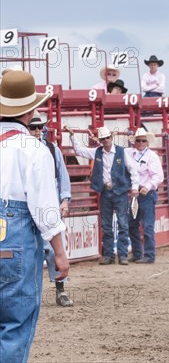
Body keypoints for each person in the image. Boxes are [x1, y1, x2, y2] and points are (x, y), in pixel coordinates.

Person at [0, 70, 70, 362]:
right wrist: (59, 252)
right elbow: (44, 208)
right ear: (30, 110)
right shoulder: (34, 149)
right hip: (14, 237)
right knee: (15, 324)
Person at [66, 125, 139, 265]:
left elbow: (133, 170)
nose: (106, 141)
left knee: (122, 224)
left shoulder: (121, 152)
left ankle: (121, 255)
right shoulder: (97, 152)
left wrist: (135, 187)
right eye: (103, 139)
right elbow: (80, 150)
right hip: (106, 191)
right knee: (107, 225)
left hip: (120, 192)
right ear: (101, 140)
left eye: (107, 138)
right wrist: (72, 136)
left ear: (111, 138)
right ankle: (110, 255)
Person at [27, 112, 74, 307]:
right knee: (30, 251)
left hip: (50, 205)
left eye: (40, 127)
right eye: (33, 127)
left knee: (54, 249)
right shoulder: (23, 149)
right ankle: (30, 295)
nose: (37, 131)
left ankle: (60, 290)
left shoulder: (52, 149)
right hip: (28, 207)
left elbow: (62, 176)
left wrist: (64, 199)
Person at [126, 128, 164, 264]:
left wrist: (147, 187)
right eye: (138, 140)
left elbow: (158, 176)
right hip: (135, 193)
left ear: (147, 142)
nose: (141, 143)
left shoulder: (152, 156)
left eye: (143, 140)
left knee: (147, 226)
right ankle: (137, 253)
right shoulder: (129, 153)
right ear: (134, 142)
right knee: (132, 225)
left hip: (146, 193)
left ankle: (149, 255)